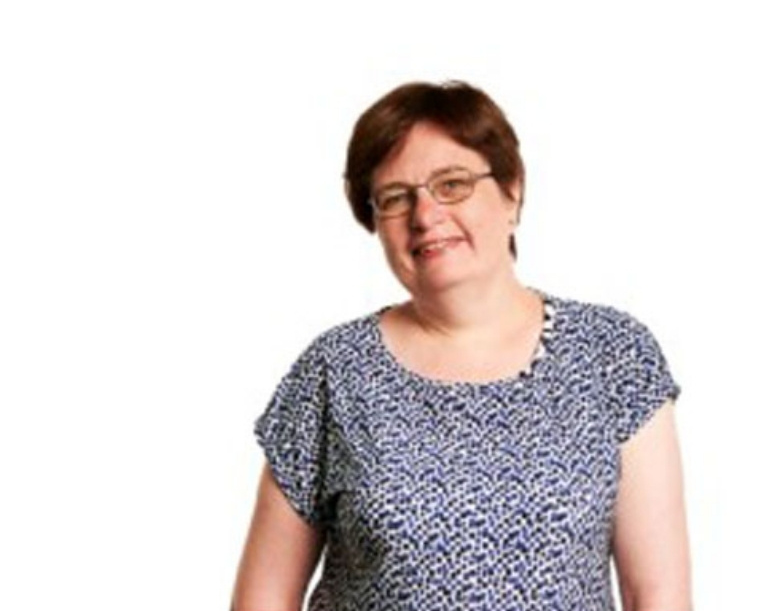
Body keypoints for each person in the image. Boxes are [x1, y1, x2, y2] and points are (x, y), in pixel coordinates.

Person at [232, 81, 692, 611]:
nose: (425, 216)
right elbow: (262, 598)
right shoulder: (333, 372)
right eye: (395, 198)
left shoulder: (613, 355)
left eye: (452, 185)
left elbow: (655, 595)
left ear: (512, 191)